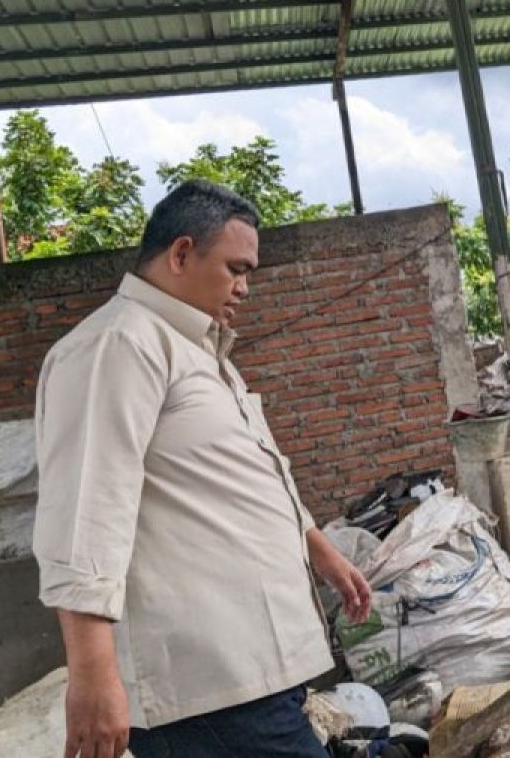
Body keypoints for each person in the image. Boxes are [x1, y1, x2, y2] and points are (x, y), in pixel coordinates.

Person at [33, 179, 372, 758]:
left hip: (253, 672)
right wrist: (92, 673)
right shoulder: (118, 345)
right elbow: (86, 511)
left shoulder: (200, 350)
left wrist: (319, 549)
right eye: (235, 268)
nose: (244, 287)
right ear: (182, 253)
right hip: (204, 687)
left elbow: (252, 471)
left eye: (250, 274)